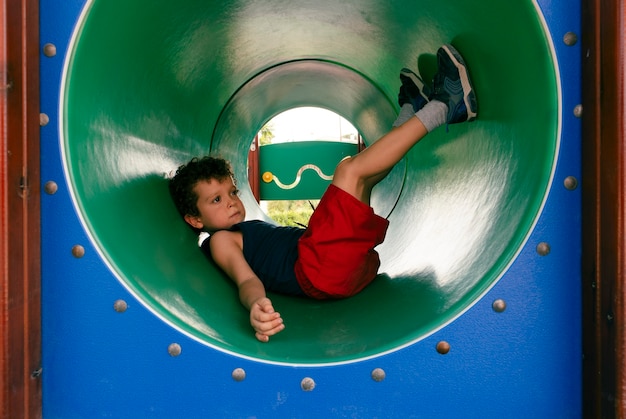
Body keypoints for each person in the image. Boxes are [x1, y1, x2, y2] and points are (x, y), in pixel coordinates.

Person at [169, 44, 478, 342]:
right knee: (350, 171)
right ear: (195, 220)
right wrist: (256, 305)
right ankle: (446, 106)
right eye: (217, 200)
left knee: (362, 176)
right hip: (320, 268)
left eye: (232, 192)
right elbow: (247, 280)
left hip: (331, 266)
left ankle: (413, 112)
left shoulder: (236, 231)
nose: (233, 203)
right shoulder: (221, 240)